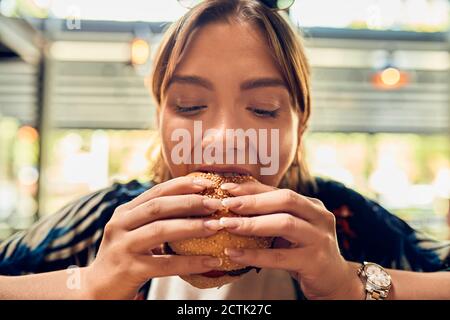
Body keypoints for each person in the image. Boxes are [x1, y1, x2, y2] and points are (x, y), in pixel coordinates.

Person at [0, 0, 449, 300]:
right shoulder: (108, 221)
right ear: (160, 119)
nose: (223, 137)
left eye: (263, 108)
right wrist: (89, 285)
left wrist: (356, 286)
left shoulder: (341, 222)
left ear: (300, 125)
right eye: (190, 105)